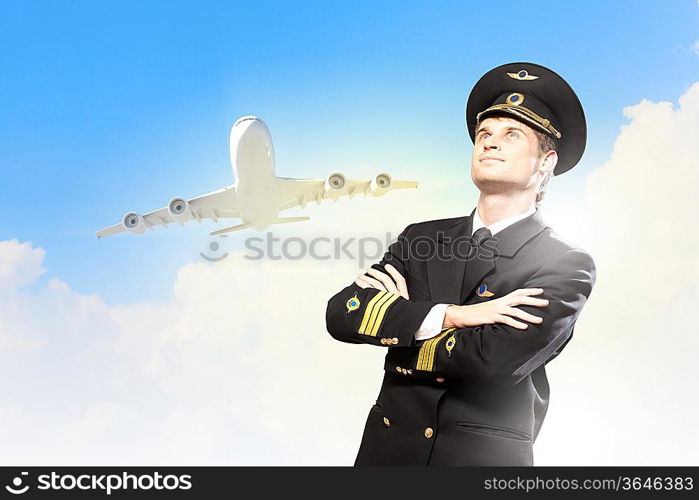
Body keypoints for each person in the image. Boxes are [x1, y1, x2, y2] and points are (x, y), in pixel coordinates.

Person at [325, 62, 596, 466]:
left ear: (546, 161)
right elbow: (341, 314)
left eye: (511, 135)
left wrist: (402, 325)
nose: (490, 143)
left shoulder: (566, 263)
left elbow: (495, 360)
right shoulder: (422, 238)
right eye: (484, 134)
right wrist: (455, 316)